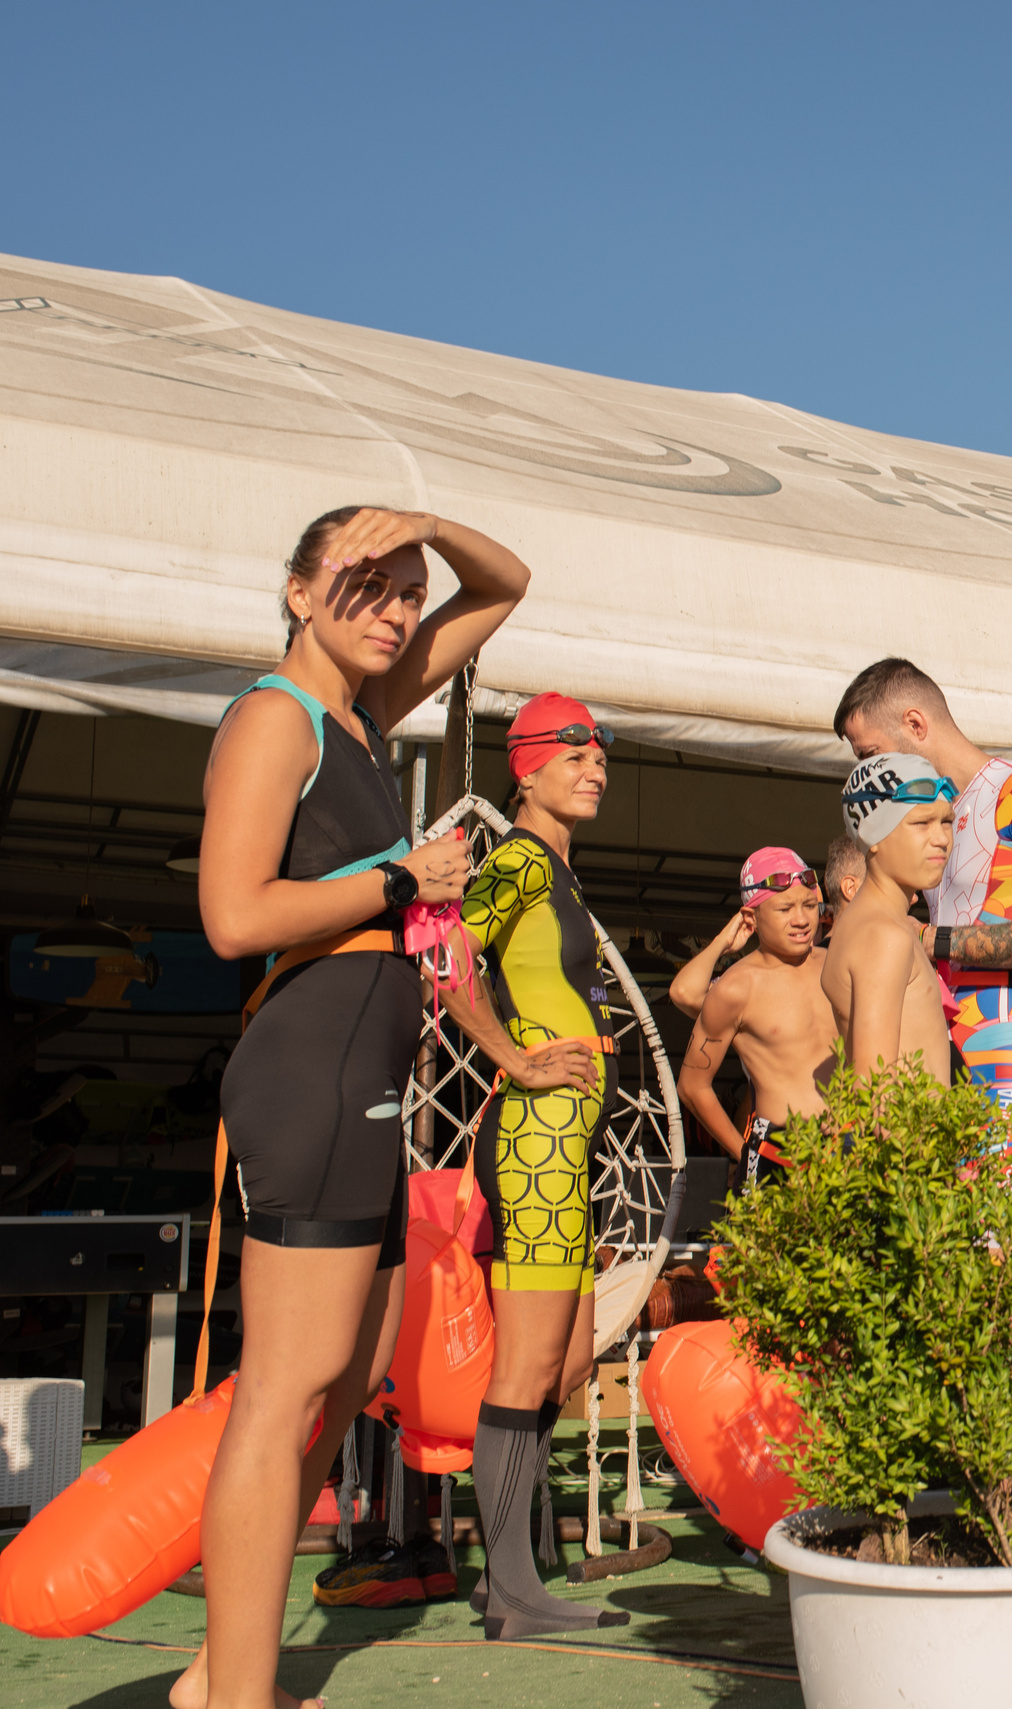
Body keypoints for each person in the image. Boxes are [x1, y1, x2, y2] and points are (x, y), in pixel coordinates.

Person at [189, 506, 527, 1709]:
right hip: (311, 1066)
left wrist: (429, 523)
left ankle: (216, 1668)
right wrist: (398, 877)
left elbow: (505, 585)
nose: (393, 609)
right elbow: (232, 915)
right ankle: (234, 1694)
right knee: (289, 1380)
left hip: (366, 1074)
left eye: (404, 590)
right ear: (297, 593)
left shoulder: (364, 721)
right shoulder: (275, 721)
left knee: (350, 1373)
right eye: (365, 584)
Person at [439, 692, 632, 1637]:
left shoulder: (555, 870)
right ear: (525, 766)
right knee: (524, 1368)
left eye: (599, 755)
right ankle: (513, 1591)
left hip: (564, 1135)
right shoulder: (517, 859)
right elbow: (442, 953)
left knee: (553, 1365)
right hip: (538, 1132)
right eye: (573, 752)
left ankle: (510, 1574)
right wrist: (511, 1057)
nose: (593, 767)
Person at [834, 659, 1012, 1125]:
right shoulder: (931, 813)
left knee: (1002, 1197)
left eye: (871, 753)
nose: (870, 771)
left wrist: (934, 939)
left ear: (915, 723)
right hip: (944, 1039)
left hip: (1011, 1040)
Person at [674, 848, 838, 1188]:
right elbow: (692, 1086)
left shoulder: (836, 964)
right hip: (778, 1152)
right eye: (784, 909)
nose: (801, 919)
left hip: (848, 1145)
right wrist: (744, 1152)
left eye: (809, 906)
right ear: (752, 918)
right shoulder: (737, 988)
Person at [829, 753, 957, 1083]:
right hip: (907, 1134)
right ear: (872, 834)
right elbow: (876, 1089)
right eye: (921, 823)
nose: (942, 838)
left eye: (946, 822)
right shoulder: (884, 936)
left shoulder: (872, 923)